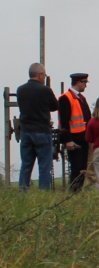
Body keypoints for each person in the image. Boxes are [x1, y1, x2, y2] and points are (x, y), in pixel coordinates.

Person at [15, 63, 59, 191]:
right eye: (44, 75)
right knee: (44, 165)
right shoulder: (45, 90)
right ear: (40, 75)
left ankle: (23, 191)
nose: (44, 77)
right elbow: (55, 106)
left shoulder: (20, 90)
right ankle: (43, 193)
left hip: (26, 132)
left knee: (26, 165)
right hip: (42, 131)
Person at [59, 72, 92, 191]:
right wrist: (67, 140)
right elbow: (64, 122)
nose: (86, 85)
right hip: (74, 139)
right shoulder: (66, 98)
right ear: (78, 82)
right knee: (76, 168)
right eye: (84, 82)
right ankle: (73, 193)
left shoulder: (80, 98)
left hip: (83, 139)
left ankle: (78, 192)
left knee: (82, 168)